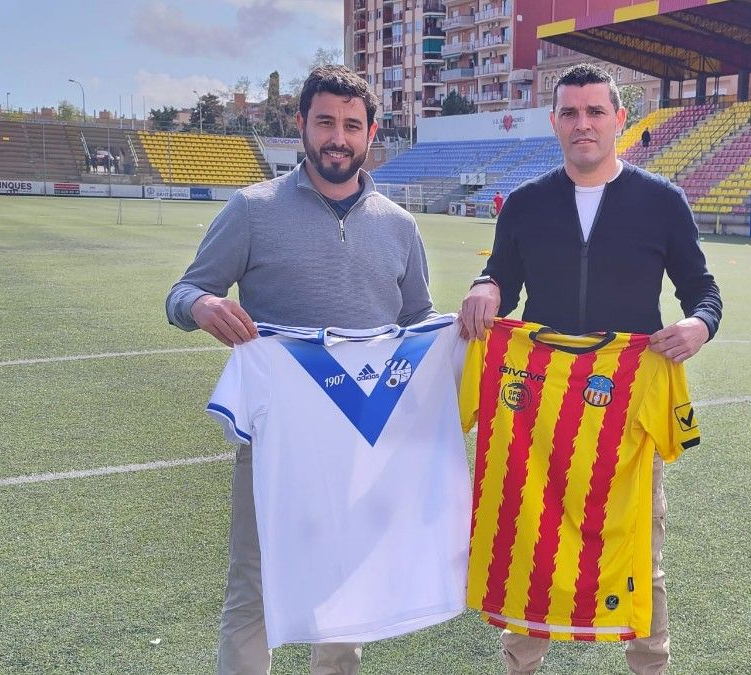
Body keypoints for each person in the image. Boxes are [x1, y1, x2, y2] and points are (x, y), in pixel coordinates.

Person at [165, 64, 437, 675]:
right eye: (324, 123)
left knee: (345, 592)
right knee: (255, 591)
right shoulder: (252, 210)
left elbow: (417, 322)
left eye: (350, 125)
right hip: (275, 441)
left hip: (361, 439)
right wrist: (203, 304)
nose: (336, 137)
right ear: (301, 127)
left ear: (370, 134)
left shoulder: (400, 225)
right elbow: (182, 292)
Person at [458, 62, 722, 675]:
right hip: (538, 415)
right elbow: (501, 275)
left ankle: (648, 665)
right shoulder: (524, 205)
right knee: (530, 544)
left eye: (596, 112)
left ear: (619, 120)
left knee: (639, 551)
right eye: (571, 113)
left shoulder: (662, 203)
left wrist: (697, 327)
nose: (584, 124)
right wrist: (486, 286)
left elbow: (703, 292)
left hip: (624, 407)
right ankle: (520, 665)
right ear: (555, 122)